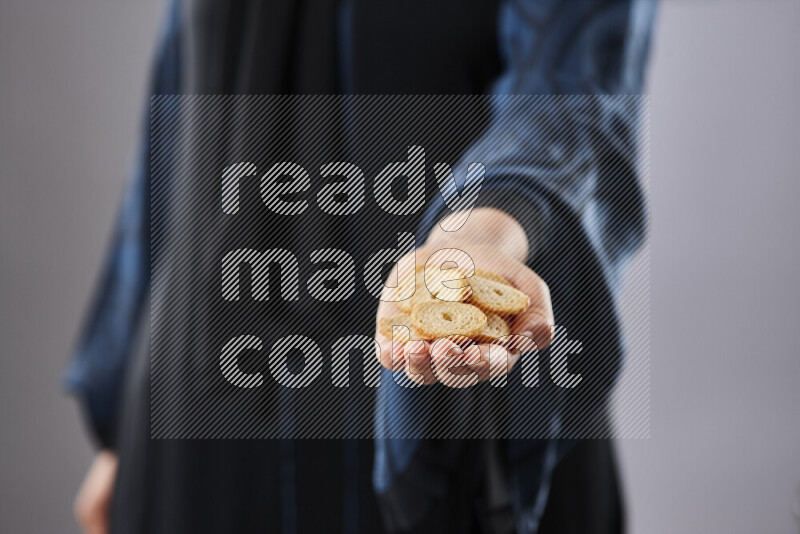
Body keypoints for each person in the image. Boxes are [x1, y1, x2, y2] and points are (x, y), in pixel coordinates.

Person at [67, 0, 657, 532]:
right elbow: (179, 100)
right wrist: (118, 413)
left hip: (447, 404)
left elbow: (572, 91)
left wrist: (489, 226)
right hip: (200, 439)